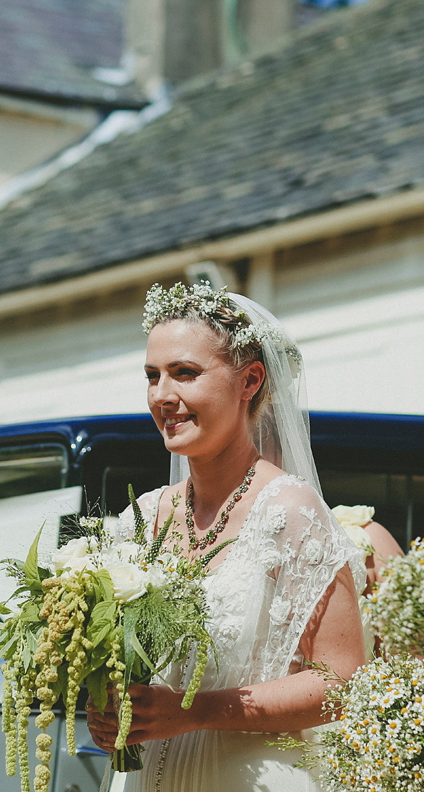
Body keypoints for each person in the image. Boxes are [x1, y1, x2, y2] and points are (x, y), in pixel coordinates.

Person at [86, 282, 366, 792]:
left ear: (250, 381)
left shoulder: (291, 512)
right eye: (152, 377)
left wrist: (193, 711)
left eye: (185, 373)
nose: (162, 396)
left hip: (252, 777)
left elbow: (343, 682)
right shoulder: (142, 518)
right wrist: (110, 706)